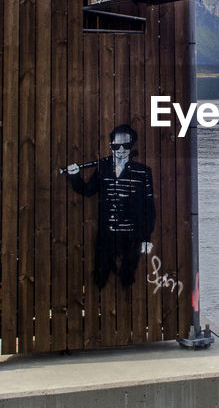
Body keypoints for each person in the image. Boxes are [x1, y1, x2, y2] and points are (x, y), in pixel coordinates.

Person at [66, 124, 155, 289]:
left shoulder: (143, 172)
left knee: (128, 280)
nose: (121, 150)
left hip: (132, 235)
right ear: (110, 146)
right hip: (106, 234)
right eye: (116, 146)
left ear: (132, 145)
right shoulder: (103, 169)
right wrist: (74, 177)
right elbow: (87, 191)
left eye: (126, 145)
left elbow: (149, 207)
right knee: (101, 277)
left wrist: (145, 238)